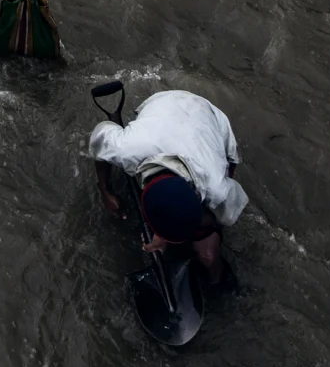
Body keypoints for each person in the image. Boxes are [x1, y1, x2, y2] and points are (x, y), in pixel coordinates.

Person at [89, 88, 247, 286]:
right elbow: (99, 134)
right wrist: (104, 190)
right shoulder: (128, 148)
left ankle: (218, 281)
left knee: (207, 255)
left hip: (208, 117)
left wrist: (171, 235)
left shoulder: (217, 186)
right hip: (162, 103)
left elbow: (220, 216)